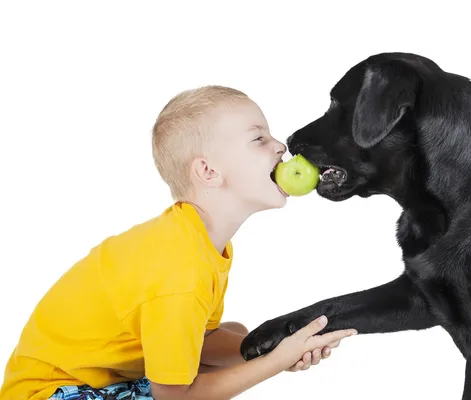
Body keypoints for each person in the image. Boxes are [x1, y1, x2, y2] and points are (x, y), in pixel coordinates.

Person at [0, 86, 357, 400]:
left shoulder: (197, 241)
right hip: (51, 394)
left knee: (238, 336)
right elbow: (173, 397)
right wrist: (275, 362)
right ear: (208, 172)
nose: (281, 146)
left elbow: (202, 341)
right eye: (259, 138)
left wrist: (272, 345)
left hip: (93, 384)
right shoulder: (181, 268)